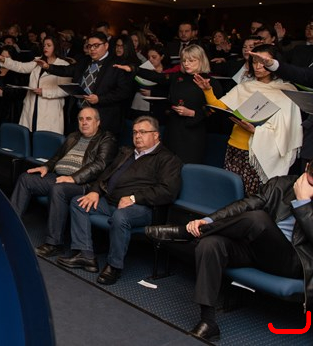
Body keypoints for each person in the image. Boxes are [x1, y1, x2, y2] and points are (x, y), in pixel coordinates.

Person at [145, 161, 313, 342]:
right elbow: (245, 205)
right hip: (257, 249)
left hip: (293, 262)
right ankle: (207, 322)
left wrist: (303, 203)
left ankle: (185, 234)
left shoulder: (303, 200)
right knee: (210, 244)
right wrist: (208, 220)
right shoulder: (281, 184)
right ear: (306, 168)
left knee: (258, 219)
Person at [57, 116, 182, 285]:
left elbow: (168, 191)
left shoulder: (168, 159)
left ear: (156, 135)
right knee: (78, 202)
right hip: (111, 201)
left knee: (120, 217)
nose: (137, 136)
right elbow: (105, 174)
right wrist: (95, 192)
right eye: (135, 132)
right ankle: (85, 256)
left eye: (143, 132)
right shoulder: (127, 152)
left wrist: (134, 198)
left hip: (143, 208)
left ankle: (114, 266)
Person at [194, 44, 302, 195]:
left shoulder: (287, 91)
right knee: (232, 194)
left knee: (254, 197)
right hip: (235, 147)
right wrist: (207, 91)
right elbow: (219, 107)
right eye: (254, 62)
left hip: (261, 153)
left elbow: (288, 129)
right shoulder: (244, 87)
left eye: (263, 62)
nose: (257, 67)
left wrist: (256, 131)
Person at [9, 107, 117, 257]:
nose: (84, 122)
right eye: (81, 119)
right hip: (59, 177)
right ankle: (10, 223)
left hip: (84, 184)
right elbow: (57, 157)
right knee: (26, 178)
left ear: (98, 122)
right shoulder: (73, 136)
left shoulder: (107, 139)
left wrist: (74, 178)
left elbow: (99, 165)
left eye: (88, 119)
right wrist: (47, 167)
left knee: (58, 189)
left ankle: (54, 244)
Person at [116, 45, 221, 164]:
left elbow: (216, 112)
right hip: (173, 129)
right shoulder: (177, 77)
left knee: (188, 167)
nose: (186, 64)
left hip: (193, 134)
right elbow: (156, 76)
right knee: (166, 164)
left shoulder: (211, 83)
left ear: (201, 60)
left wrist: (193, 113)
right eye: (184, 60)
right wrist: (133, 69)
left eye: (191, 61)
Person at [43, 32, 133, 135]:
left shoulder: (118, 63)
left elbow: (123, 92)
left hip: (103, 118)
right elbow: (67, 70)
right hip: (80, 114)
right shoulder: (84, 60)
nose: (92, 49)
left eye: (96, 45)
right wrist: (48, 67)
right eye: (89, 46)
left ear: (106, 45)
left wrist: (99, 99)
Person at [0, 36, 71, 133]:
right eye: (44, 45)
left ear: (56, 47)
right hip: (31, 107)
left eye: (49, 45)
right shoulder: (38, 61)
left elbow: (65, 90)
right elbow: (21, 67)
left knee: (44, 138)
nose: (45, 48)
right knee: (28, 136)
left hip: (50, 110)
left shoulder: (64, 65)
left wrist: (44, 92)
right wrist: (4, 60)